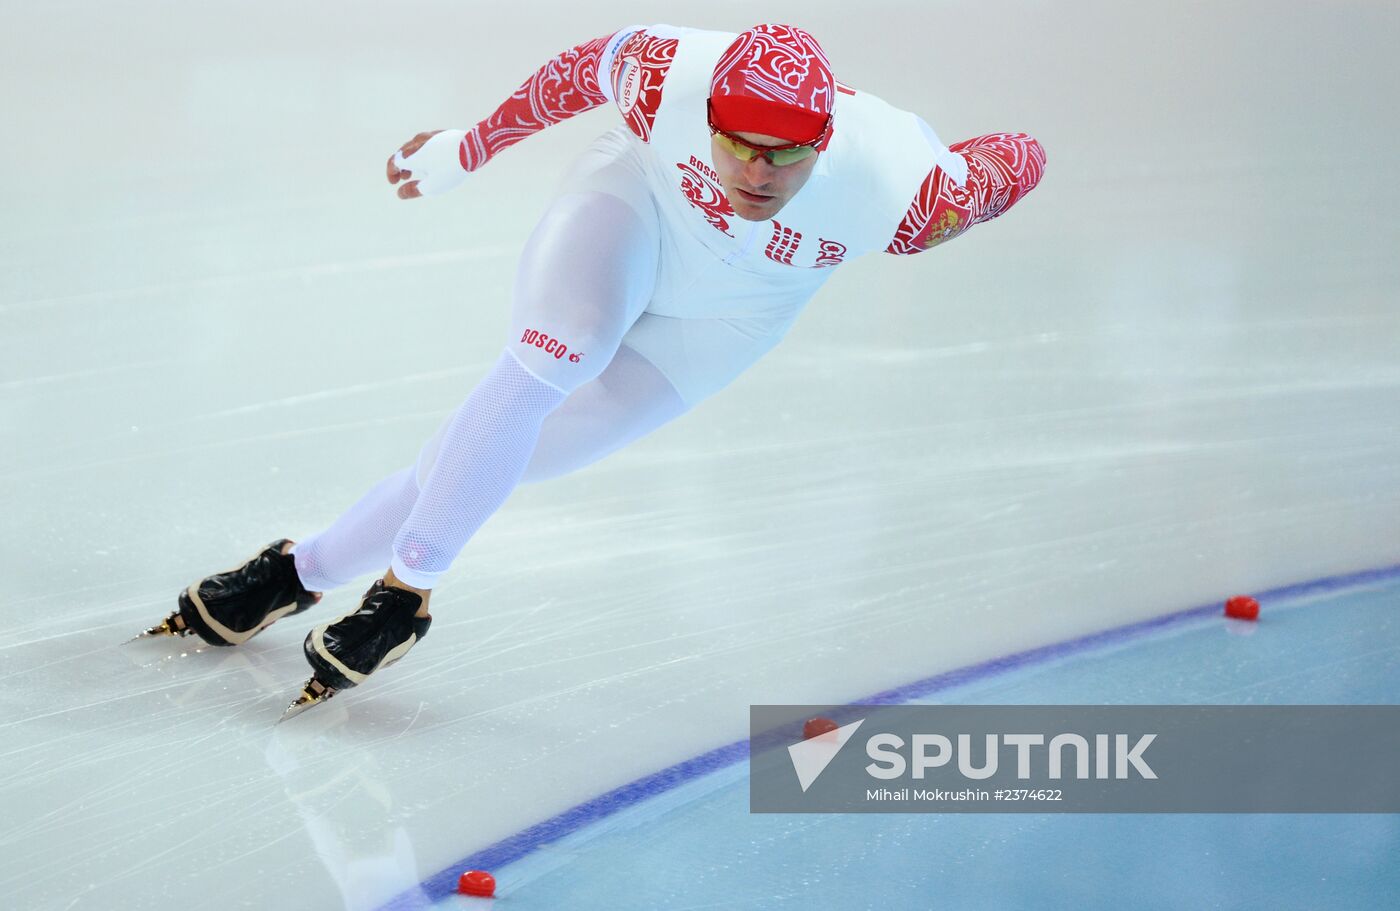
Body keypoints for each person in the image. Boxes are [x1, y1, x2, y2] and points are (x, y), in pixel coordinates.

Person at [140, 23, 1047, 718]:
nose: (758, 174)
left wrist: (1005, 159)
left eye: (787, 154)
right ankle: (405, 596)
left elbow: (1019, 159)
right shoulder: (666, 74)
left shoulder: (907, 191)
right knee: (547, 356)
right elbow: (569, 78)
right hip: (635, 209)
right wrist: (468, 147)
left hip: (731, 317)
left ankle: (298, 572)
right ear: (707, 115)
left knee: (500, 455)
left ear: (827, 136)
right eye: (737, 143)